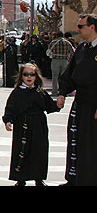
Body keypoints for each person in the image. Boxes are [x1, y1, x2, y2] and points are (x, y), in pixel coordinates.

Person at [2, 62, 60, 186]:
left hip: (39, 126)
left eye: (32, 74)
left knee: (39, 152)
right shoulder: (17, 92)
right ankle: (20, 179)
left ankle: (39, 178)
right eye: (26, 74)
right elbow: (10, 109)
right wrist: (8, 121)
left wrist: (59, 103)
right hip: (22, 126)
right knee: (21, 152)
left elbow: (50, 106)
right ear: (21, 76)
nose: (29, 77)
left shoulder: (40, 91)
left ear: (36, 76)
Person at [57, 13, 97, 186]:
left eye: (81, 26)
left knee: (91, 145)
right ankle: (75, 178)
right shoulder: (82, 48)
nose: (78, 29)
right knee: (76, 141)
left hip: (94, 104)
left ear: (92, 27)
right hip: (80, 102)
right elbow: (70, 73)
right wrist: (62, 93)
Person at [47, 31, 74, 97]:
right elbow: (72, 52)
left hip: (55, 60)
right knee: (64, 77)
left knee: (55, 77)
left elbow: (48, 52)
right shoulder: (67, 43)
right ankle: (63, 91)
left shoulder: (53, 42)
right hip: (65, 60)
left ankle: (55, 92)